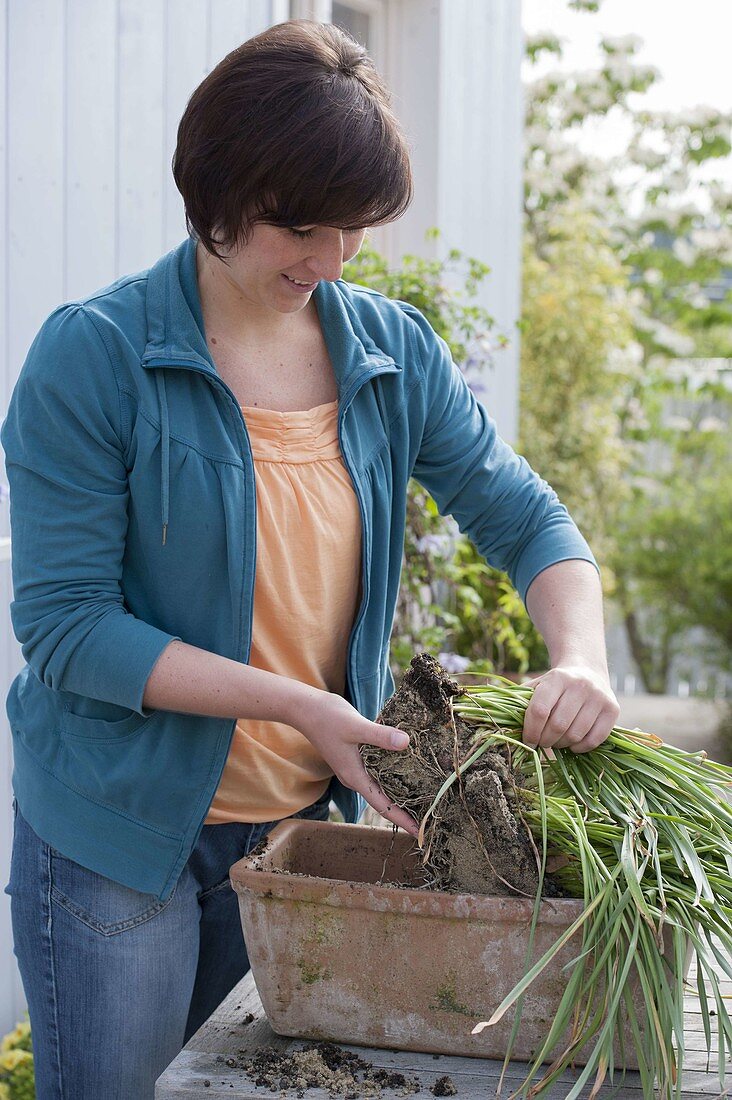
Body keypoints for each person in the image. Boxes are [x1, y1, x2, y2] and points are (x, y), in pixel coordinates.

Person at [1, 19, 620, 1100]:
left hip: (299, 842)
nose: (328, 262)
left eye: (353, 231)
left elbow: (530, 521)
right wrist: (299, 703)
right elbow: (65, 627)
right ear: (217, 192)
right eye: (301, 227)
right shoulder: (93, 355)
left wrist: (582, 658)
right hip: (117, 840)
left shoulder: (387, 351)